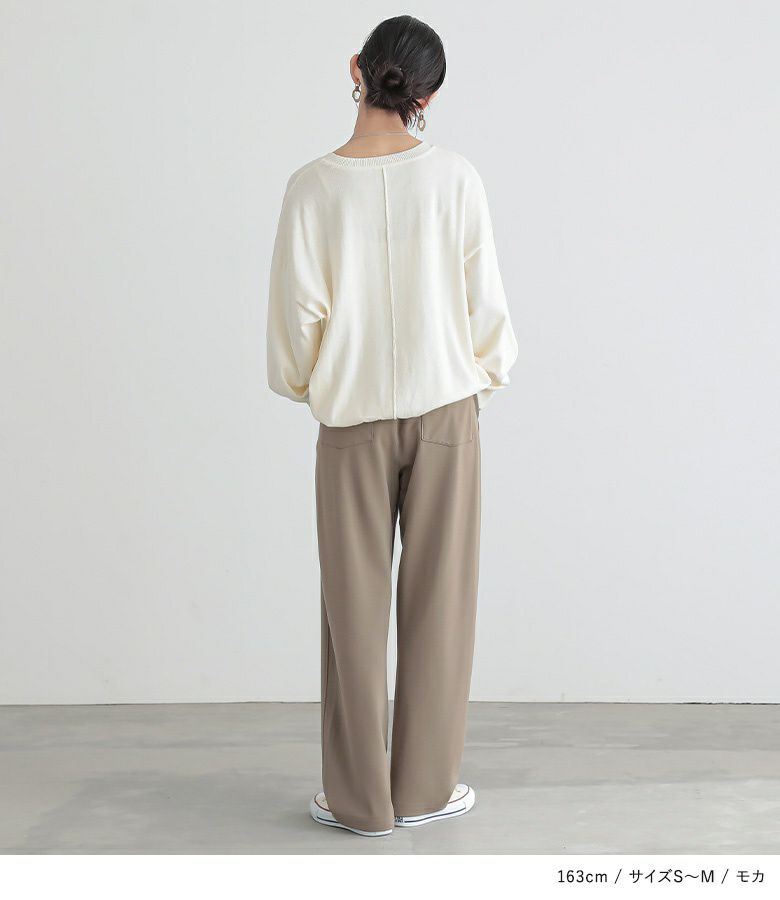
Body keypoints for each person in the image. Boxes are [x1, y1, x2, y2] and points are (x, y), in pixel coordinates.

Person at [267, 15, 518, 837]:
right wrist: (479, 379)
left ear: (357, 68)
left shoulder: (312, 186)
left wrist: (312, 385)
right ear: (429, 95)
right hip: (447, 414)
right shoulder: (456, 178)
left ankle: (359, 803)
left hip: (352, 421)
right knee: (441, 604)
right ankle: (424, 790)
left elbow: (297, 321)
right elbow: (486, 307)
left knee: (352, 609)